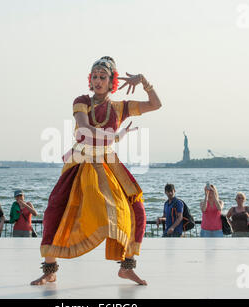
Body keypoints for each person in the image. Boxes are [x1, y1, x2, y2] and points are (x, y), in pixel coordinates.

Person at [30, 56, 161, 286]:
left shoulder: (121, 108)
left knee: (136, 208)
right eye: (95, 76)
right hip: (81, 161)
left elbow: (156, 104)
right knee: (55, 208)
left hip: (108, 164)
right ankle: (50, 270)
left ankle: (127, 267)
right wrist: (116, 137)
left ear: (112, 81)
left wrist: (144, 81)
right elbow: (84, 129)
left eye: (103, 77)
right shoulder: (81, 101)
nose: (98, 80)